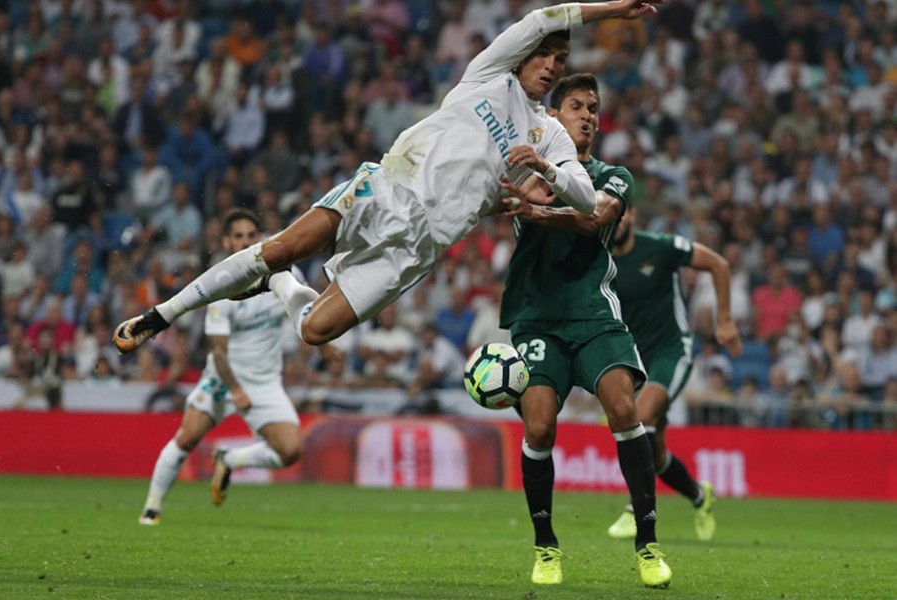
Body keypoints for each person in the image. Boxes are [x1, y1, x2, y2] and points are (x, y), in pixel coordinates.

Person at [113, 1, 664, 356]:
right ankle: (160, 315)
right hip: (383, 191)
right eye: (544, 54)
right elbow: (542, 18)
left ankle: (279, 288)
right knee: (281, 247)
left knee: (313, 331)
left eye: (559, 58)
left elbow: (586, 198)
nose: (550, 61)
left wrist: (543, 168)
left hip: (415, 249)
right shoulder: (487, 76)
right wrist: (611, 10)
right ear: (523, 58)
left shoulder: (548, 136)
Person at [498, 73, 671, 588]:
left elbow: (595, 218)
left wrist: (537, 208)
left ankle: (648, 543)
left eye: (594, 108)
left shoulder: (614, 174)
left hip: (594, 315)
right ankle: (546, 547)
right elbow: (502, 200)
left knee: (624, 408)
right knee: (540, 427)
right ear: (553, 117)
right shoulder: (527, 171)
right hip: (537, 318)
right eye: (577, 106)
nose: (589, 116)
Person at [138, 209, 306, 526]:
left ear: (260, 238)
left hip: (265, 382)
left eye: (251, 235)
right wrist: (236, 389)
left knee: (291, 450)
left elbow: (303, 311)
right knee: (186, 438)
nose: (246, 241)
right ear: (227, 242)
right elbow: (217, 349)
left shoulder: (287, 273)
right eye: (239, 236)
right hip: (223, 378)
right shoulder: (221, 288)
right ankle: (152, 508)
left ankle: (230, 459)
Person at [605, 205, 743, 541]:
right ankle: (700, 496)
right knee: (657, 454)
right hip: (634, 358)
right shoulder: (600, 258)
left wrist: (724, 320)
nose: (617, 219)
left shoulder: (661, 247)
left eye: (621, 212)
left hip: (672, 351)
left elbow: (718, 264)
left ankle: (635, 510)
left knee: (638, 417)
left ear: (633, 215)